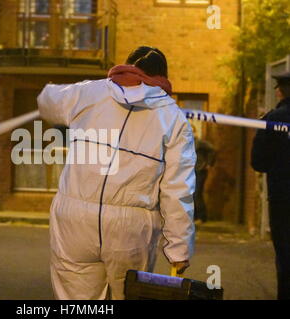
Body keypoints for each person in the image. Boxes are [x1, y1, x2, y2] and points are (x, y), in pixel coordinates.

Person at [37, 46, 196, 300]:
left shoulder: (88, 92)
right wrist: (178, 250)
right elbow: (178, 190)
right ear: (163, 75)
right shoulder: (175, 119)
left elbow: (47, 100)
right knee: (131, 294)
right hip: (131, 230)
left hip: (74, 221)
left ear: (128, 66)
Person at [251, 71, 290, 300]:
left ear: (279, 91)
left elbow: (258, 162)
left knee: (285, 255)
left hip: (282, 197)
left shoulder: (273, 119)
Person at [191, 125, 216, 224]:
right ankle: (195, 217)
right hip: (190, 172)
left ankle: (202, 217)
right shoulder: (185, 143)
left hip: (200, 170)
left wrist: (209, 164)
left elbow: (212, 150)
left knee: (197, 193)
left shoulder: (199, 143)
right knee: (192, 194)